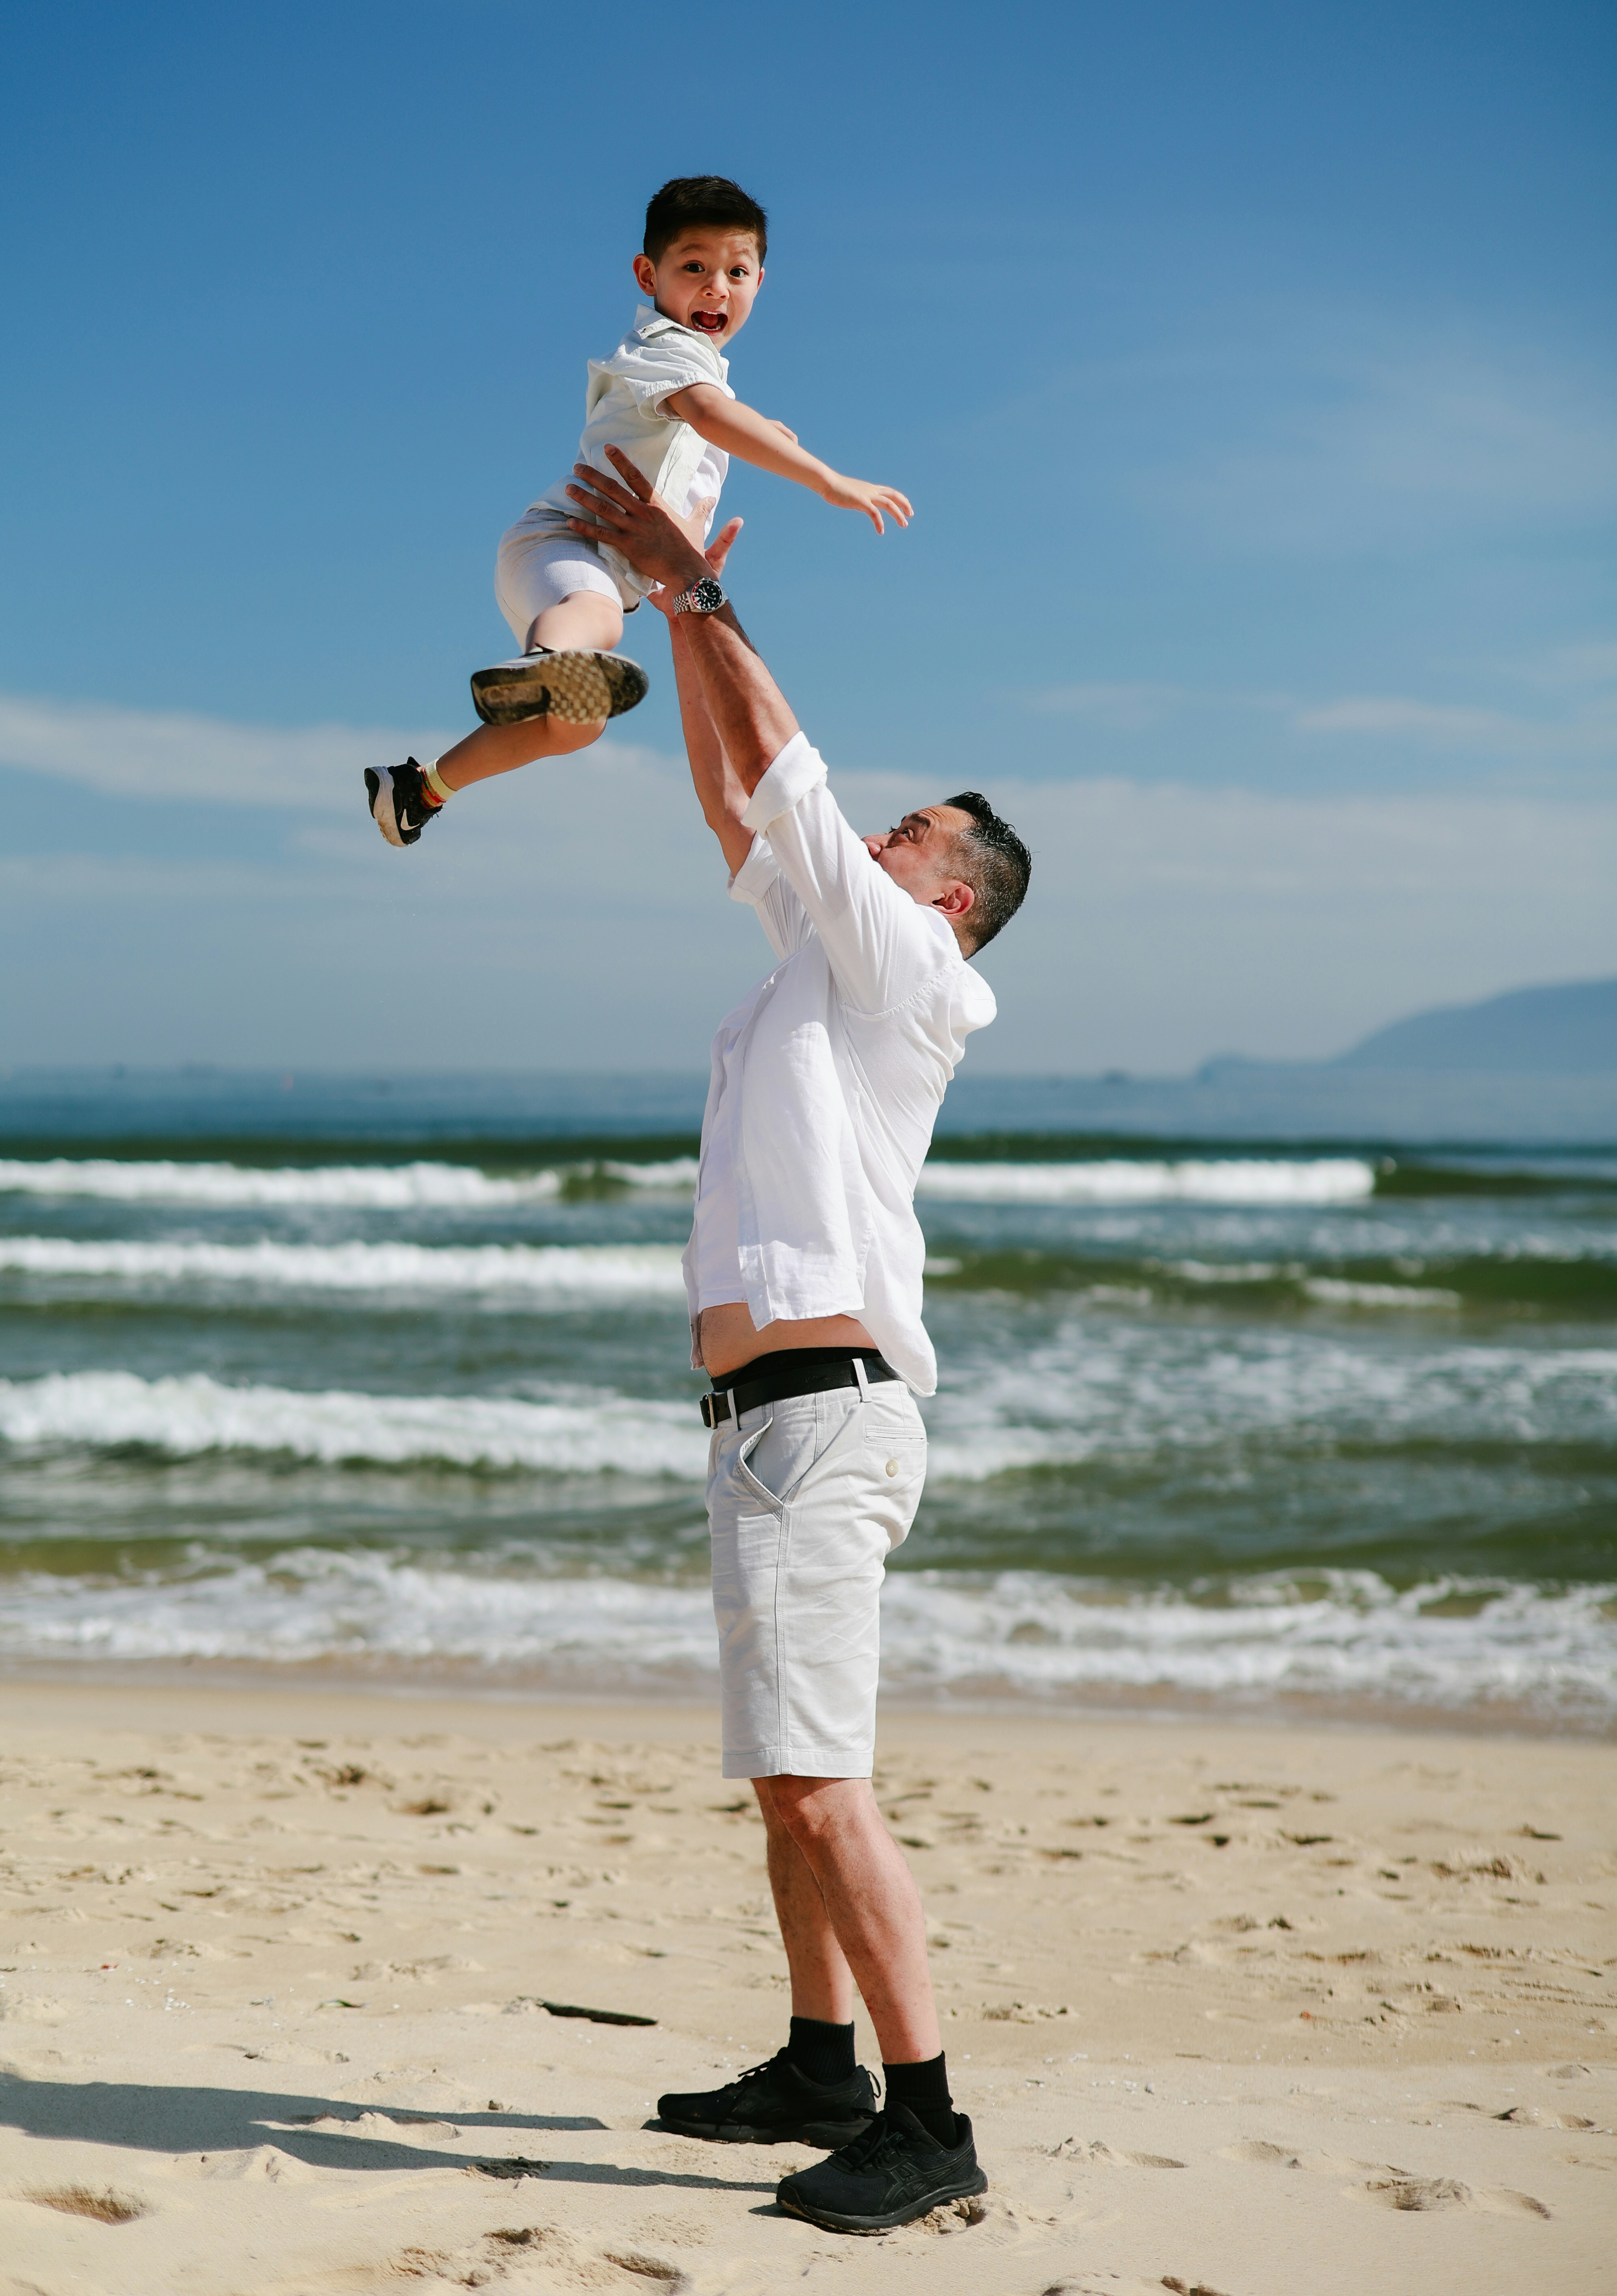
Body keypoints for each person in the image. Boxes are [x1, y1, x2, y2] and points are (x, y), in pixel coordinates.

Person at [563, 446, 1032, 2236]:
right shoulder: (813, 974)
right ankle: (816, 2066)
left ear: (945, 894)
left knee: (826, 1786)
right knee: (780, 1778)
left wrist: (691, 589)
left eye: (899, 835)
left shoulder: (920, 978)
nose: (864, 840)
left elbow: (790, 781)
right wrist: (681, 622)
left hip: (827, 1418)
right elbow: (736, 798)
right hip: (759, 1419)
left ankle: (927, 2124)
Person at [364, 174, 911, 847]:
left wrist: (759, 429)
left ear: (761, 283)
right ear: (648, 274)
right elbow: (707, 412)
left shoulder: (699, 373)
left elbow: (704, 418)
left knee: (579, 725)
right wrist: (827, 479)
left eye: (737, 272)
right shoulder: (664, 347)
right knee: (600, 629)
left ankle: (419, 790)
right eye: (694, 268)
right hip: (566, 546)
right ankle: (543, 663)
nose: (717, 288)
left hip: (584, 579)